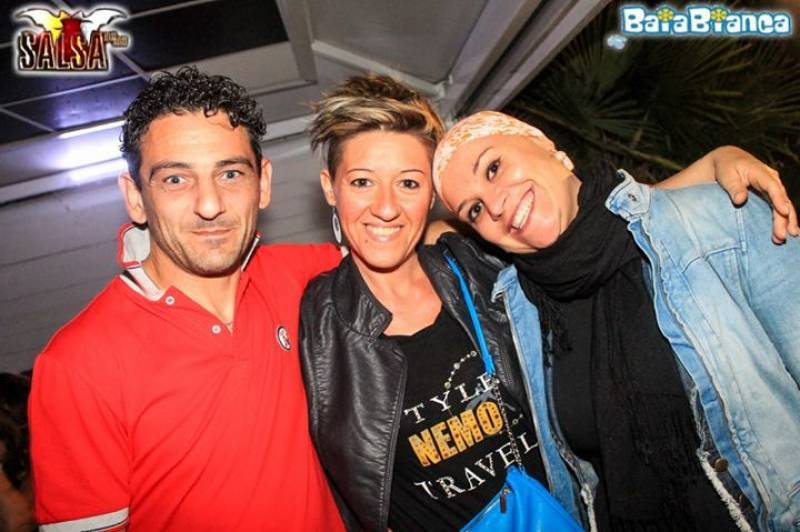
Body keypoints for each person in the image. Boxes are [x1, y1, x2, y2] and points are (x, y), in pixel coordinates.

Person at [299, 75, 796, 531]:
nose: (386, 206)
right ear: (329, 188)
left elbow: (611, 225)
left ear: (428, 197)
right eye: (361, 181)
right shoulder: (318, 318)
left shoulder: (486, 274)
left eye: (409, 182)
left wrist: (715, 163)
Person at [432, 110, 800, 531]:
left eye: (494, 168)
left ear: (546, 146)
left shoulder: (717, 218)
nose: (496, 206)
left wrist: (720, 156)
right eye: (475, 210)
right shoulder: (523, 310)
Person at [28, 67, 344, 530]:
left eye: (230, 173)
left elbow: (407, 246)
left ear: (263, 183)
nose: (210, 205)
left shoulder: (304, 277)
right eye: (176, 179)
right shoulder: (77, 364)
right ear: (136, 197)